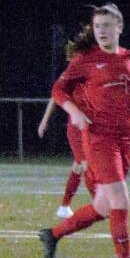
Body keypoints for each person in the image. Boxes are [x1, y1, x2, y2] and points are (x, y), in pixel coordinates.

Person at [37, 4, 130, 258]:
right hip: (99, 138)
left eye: (107, 26)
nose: (101, 31)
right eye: (97, 26)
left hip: (125, 140)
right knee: (121, 200)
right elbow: (58, 89)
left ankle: (53, 234)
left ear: (120, 27)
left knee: (103, 206)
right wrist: (74, 111)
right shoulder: (86, 59)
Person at [37, 38, 98, 219]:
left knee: (78, 166)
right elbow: (55, 96)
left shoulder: (89, 75)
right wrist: (44, 121)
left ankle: (64, 207)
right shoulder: (70, 76)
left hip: (90, 126)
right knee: (86, 165)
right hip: (76, 129)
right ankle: (99, 204)